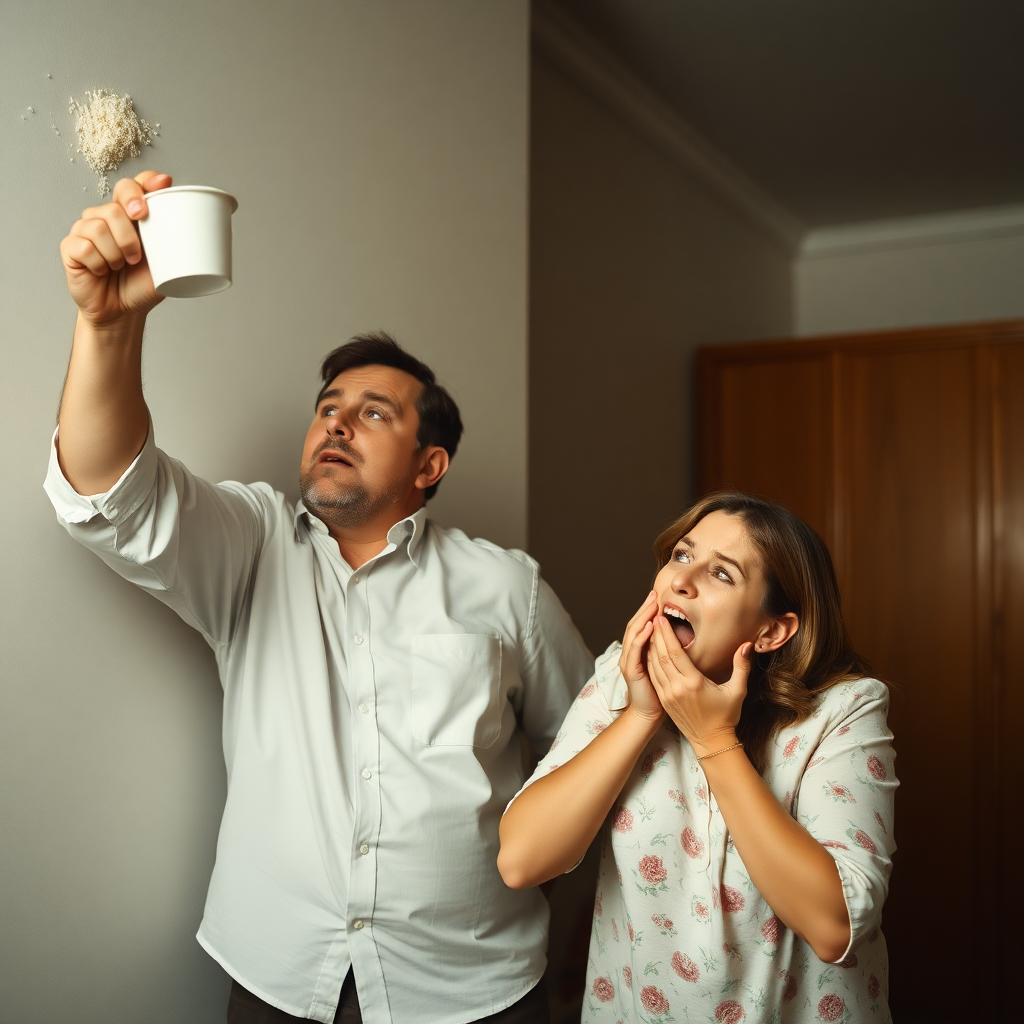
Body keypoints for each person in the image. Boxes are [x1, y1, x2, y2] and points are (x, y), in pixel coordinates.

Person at [46, 170, 594, 1024]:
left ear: (429, 465)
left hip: (473, 991)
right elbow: (111, 493)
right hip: (279, 978)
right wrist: (108, 325)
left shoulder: (506, 587)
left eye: (373, 414)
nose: (336, 423)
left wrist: (551, 895)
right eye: (328, 407)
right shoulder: (252, 544)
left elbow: (587, 751)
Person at [498, 493, 897, 1023]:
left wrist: (713, 738)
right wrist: (640, 716)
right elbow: (522, 860)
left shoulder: (845, 710)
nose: (682, 580)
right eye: (681, 556)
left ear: (772, 631)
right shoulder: (621, 678)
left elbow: (834, 927)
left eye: (722, 574)